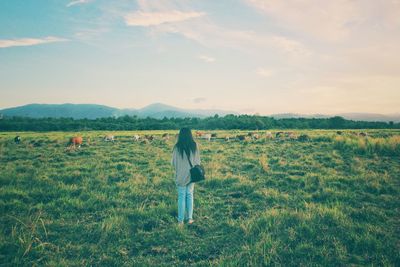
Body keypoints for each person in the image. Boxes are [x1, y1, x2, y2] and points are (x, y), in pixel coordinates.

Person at [171, 127, 201, 226]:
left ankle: (180, 221)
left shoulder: (177, 147)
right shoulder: (194, 145)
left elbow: (173, 163)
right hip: (192, 175)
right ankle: (190, 219)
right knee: (189, 195)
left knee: (181, 196)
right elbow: (198, 162)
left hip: (180, 175)